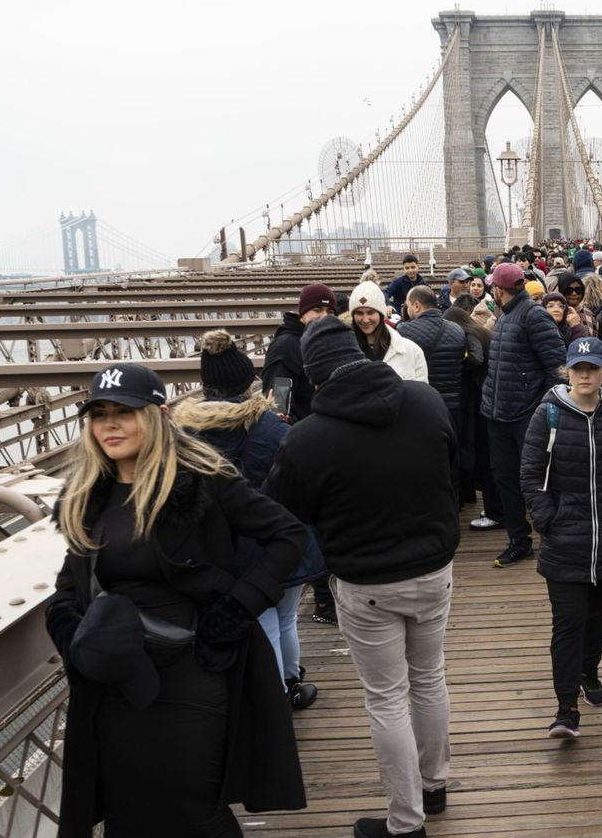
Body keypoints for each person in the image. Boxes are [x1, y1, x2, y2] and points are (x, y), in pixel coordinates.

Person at [46, 363, 307, 838]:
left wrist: (237, 609)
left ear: (157, 416)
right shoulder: (86, 494)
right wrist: (73, 637)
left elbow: (287, 536)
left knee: (195, 796)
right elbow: (69, 587)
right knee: (126, 800)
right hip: (117, 675)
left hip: (195, 664)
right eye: (100, 416)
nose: (110, 426)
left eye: (124, 413)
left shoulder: (200, 480)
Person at [263, 317, 459, 838]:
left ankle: (406, 823)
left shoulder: (306, 439)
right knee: (430, 679)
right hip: (434, 570)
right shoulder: (427, 403)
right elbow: (451, 469)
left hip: (367, 584)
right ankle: (435, 786)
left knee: (387, 699)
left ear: (314, 377)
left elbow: (283, 513)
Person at [175, 330, 321, 710]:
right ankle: (286, 688)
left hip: (217, 547)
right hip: (276, 540)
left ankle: (253, 694)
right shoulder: (271, 427)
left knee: (256, 620)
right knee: (282, 619)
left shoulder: (183, 433)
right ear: (246, 382)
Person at [520, 336, 602, 738]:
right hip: (565, 541)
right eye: (579, 368)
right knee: (568, 623)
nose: (586, 375)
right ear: (568, 371)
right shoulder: (548, 415)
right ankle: (565, 708)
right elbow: (530, 473)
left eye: (593, 367)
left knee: (599, 618)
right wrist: (546, 518)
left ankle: (589, 672)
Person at [482, 261, 568, 567]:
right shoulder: (505, 317)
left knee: (536, 480)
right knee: (504, 478)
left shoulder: (534, 316)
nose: (491, 290)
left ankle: (552, 539)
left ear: (501, 288)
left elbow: (558, 367)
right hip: (498, 414)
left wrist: (542, 408)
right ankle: (519, 540)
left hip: (525, 415)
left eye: (493, 286)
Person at [446, 304, 498, 526]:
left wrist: (460, 363)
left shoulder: (469, 334)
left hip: (480, 395)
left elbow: (475, 358)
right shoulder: (481, 331)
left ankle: (493, 508)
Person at [261, 282, 335, 423]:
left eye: (330, 312)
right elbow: (279, 407)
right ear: (303, 312)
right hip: (304, 436)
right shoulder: (286, 347)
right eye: (317, 309)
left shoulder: (322, 341)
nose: (324, 316)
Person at [398, 284, 466, 424]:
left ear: (416, 306)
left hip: (423, 405)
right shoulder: (457, 329)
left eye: (407, 305)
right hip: (454, 406)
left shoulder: (403, 330)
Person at [347, 279, 429, 382]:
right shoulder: (343, 351)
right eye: (359, 313)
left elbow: (420, 393)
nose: (365, 319)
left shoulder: (411, 351)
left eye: (370, 312)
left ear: (381, 314)